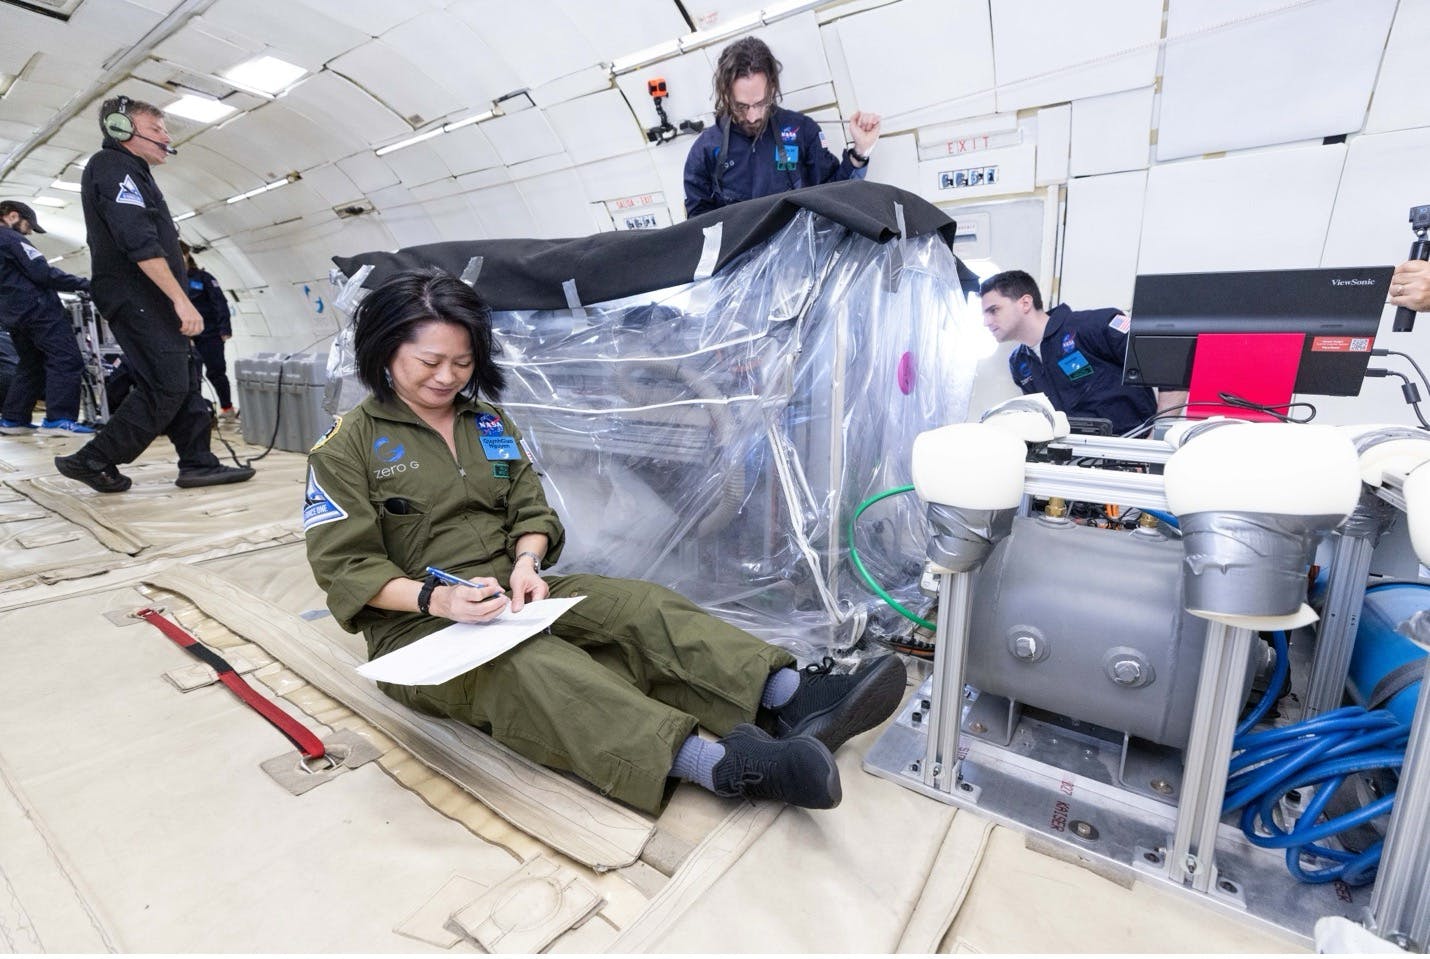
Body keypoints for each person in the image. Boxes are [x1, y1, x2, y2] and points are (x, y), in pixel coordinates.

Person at [303, 268, 906, 814]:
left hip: (514, 594)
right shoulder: (346, 449)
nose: (447, 376)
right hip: (419, 628)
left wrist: (527, 562)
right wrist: (440, 601)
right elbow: (347, 568)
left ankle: (795, 698)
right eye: (429, 361)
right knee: (534, 666)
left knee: (637, 608)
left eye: (461, 363)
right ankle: (724, 767)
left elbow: (529, 507)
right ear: (385, 352)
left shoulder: (486, 422)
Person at [55, 96, 253, 493]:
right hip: (138, 296)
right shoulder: (112, 166)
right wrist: (181, 298)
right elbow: (137, 239)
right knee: (166, 384)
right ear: (121, 129)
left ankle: (198, 462)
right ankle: (93, 458)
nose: (166, 136)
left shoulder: (136, 172)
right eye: (157, 128)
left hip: (152, 298)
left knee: (185, 376)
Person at [683, 36, 881, 217]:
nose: (752, 117)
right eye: (741, 106)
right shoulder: (705, 150)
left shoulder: (802, 131)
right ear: (726, 95)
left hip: (799, 253)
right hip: (742, 255)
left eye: (760, 103)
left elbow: (836, 196)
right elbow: (698, 224)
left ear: (771, 89)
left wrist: (860, 152)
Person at [981, 270, 1185, 435]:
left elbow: (1169, 364)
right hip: (1076, 458)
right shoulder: (1019, 363)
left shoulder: (1093, 326)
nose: (986, 322)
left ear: (1025, 303)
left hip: (1131, 450)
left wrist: (1156, 437)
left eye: (994, 310)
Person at [0, 200, 94, 434]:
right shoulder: (10, 238)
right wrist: (87, 284)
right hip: (39, 311)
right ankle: (59, 419)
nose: (30, 231)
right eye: (28, 225)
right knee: (66, 359)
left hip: (12, 314)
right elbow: (42, 272)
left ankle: (14, 419)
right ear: (13, 216)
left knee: (31, 365)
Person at [181, 242, 236, 419]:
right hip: (184, 337)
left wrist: (224, 329)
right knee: (191, 376)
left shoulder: (203, 278)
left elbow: (219, 303)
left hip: (209, 334)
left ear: (187, 255)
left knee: (216, 372)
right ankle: (195, 412)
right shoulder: (171, 281)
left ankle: (227, 408)